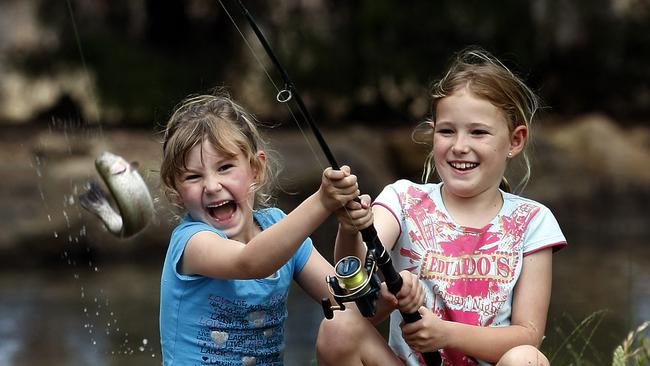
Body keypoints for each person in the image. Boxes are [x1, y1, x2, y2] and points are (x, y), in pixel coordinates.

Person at [317, 47, 567, 366]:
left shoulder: (532, 221)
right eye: (447, 131)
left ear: (515, 141)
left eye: (478, 132)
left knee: (526, 359)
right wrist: (351, 229)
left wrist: (445, 333)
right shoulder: (402, 199)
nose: (460, 147)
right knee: (339, 324)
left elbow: (528, 334)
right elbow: (358, 274)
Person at [157, 92, 423, 365]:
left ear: (256, 169)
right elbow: (249, 262)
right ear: (176, 191)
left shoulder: (278, 227)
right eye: (193, 177)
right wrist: (322, 201)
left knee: (341, 327)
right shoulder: (191, 243)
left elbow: (351, 311)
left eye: (225, 167)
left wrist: (352, 234)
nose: (212, 186)